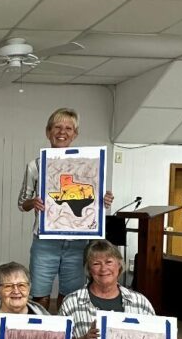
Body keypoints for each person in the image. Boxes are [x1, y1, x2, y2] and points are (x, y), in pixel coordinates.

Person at [18, 108, 113, 311]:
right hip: (45, 242)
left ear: (75, 134)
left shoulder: (88, 166)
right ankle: (42, 331)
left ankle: (66, 331)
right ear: (48, 131)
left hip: (78, 243)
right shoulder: (36, 165)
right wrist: (33, 202)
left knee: (70, 298)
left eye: (69, 128)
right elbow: (22, 203)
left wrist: (103, 199)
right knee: (40, 297)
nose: (63, 132)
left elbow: (94, 201)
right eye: (57, 127)